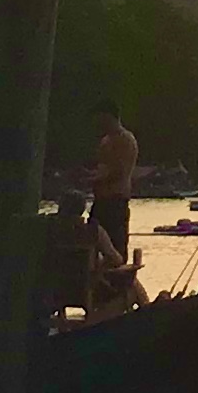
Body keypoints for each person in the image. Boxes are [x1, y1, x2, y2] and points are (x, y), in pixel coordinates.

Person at [79, 97, 139, 280]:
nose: (98, 124)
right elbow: (103, 169)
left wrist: (94, 177)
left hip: (116, 200)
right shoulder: (105, 141)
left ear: (109, 116)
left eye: (100, 119)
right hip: (101, 201)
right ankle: (96, 278)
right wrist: (88, 175)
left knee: (116, 247)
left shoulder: (125, 139)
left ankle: (116, 283)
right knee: (93, 242)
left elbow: (119, 171)